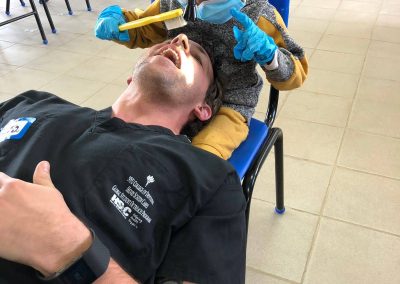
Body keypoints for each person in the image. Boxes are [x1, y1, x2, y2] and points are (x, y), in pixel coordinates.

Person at [0, 34, 247, 284]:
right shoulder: (33, 102)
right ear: (131, 78)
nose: (179, 40)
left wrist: (69, 249)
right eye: (169, 40)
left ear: (203, 108)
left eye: (196, 57)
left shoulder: (210, 180)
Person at [94, 0, 308, 159]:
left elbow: (296, 72)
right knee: (122, 143)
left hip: (231, 103)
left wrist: (270, 56)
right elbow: (144, 28)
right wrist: (119, 23)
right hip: (173, 94)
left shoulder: (259, 14)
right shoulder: (172, 3)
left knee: (201, 160)